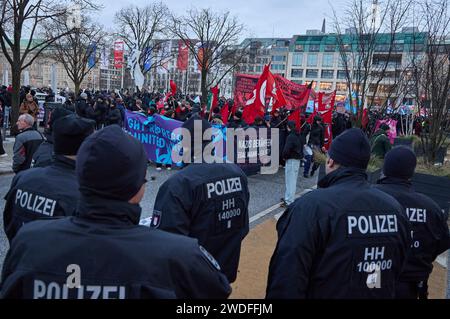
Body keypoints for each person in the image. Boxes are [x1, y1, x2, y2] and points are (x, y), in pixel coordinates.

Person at [0, 125, 231, 299]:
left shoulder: (29, 242)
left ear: (80, 178)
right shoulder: (181, 256)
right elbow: (219, 291)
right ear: (140, 188)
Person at [266, 128, 411, 299]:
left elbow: (287, 278)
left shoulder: (311, 207)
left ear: (330, 162)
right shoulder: (395, 209)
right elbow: (397, 268)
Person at [152, 114, 250, 283]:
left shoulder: (179, 184)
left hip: (190, 280)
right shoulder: (237, 174)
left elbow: (165, 243)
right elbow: (242, 227)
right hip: (223, 275)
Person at [3, 114, 95, 242]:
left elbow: (9, 221)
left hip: (21, 254)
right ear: (86, 146)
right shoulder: (81, 194)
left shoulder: (23, 178)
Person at [374, 146, 450, 299]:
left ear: (385, 169)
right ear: (411, 172)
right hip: (412, 285)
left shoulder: (368, 199)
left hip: (373, 279)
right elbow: (441, 242)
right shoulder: (431, 208)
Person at [281, 121, 304, 208]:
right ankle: (288, 198)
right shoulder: (299, 135)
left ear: (288, 127)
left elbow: (287, 149)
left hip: (291, 160)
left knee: (290, 181)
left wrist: (284, 157)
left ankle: (289, 201)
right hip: (297, 159)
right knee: (291, 180)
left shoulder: (290, 136)